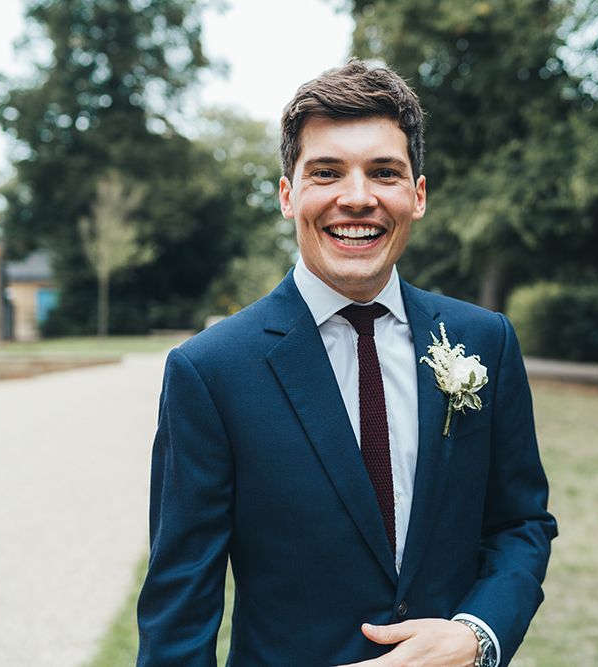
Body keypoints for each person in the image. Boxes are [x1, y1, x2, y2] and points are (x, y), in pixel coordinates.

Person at [136, 60, 557, 667]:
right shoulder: (210, 371)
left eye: (384, 173)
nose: (356, 198)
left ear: (417, 195)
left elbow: (521, 523)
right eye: (327, 172)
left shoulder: (483, 340)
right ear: (288, 195)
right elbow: (181, 606)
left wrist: (476, 633)